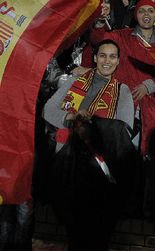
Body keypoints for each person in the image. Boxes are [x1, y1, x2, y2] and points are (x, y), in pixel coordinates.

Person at [43, 39, 135, 250]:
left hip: (101, 170)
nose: (107, 61)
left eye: (112, 57)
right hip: (70, 165)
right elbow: (48, 110)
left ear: (118, 61)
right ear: (94, 57)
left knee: (99, 234)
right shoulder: (74, 82)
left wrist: (92, 128)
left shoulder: (123, 92)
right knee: (74, 234)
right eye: (102, 55)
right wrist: (71, 117)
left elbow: (124, 131)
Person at [91, 0, 155, 219]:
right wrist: (100, 23)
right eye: (141, 11)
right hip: (126, 106)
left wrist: (152, 84)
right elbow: (99, 41)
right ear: (135, 15)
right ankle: (124, 207)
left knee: (152, 160)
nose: (146, 14)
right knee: (124, 158)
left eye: (150, 10)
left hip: (154, 108)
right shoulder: (122, 36)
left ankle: (151, 211)